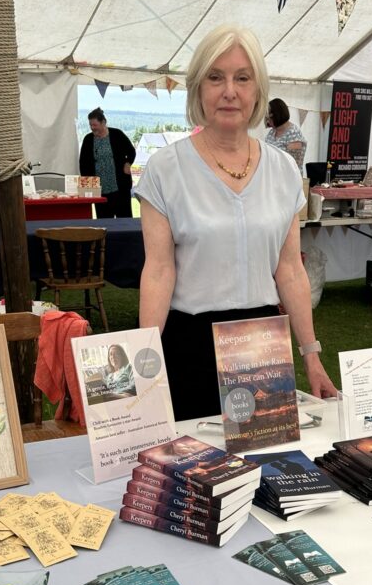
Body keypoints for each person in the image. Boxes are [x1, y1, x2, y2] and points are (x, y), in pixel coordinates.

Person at [134, 25, 337, 421]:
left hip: (263, 347)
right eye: (216, 77)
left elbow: (290, 269)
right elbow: (158, 271)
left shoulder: (282, 170)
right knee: (194, 472)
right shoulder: (165, 170)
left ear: (258, 90)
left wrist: (311, 356)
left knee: (266, 467)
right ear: (197, 89)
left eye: (242, 78)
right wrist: (147, 363)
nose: (230, 90)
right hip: (188, 346)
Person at [79, 108, 136, 218]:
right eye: (90, 125)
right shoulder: (88, 139)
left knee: (124, 219)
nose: (92, 128)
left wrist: (128, 163)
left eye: (95, 125)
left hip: (120, 188)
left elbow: (131, 151)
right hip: (100, 191)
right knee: (104, 220)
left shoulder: (117, 134)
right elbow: (83, 164)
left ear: (103, 122)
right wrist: (88, 186)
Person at [264, 98, 306, 169]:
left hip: (287, 177)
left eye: (269, 118)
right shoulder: (272, 132)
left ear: (277, 116)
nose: (268, 122)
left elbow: (293, 163)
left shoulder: (293, 134)